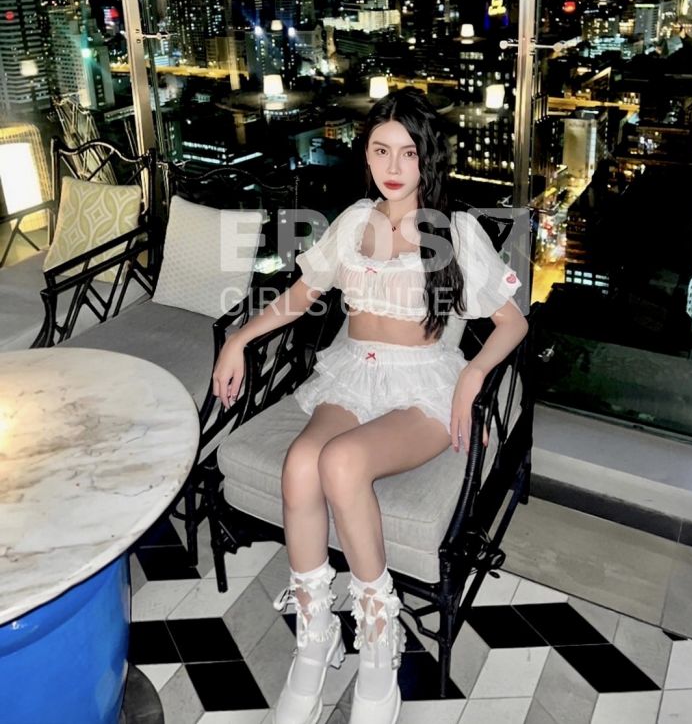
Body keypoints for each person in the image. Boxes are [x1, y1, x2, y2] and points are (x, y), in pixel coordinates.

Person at [213, 88, 528, 724]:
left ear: (427, 158)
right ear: (365, 155)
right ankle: (316, 637)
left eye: (408, 153)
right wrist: (239, 339)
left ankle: (380, 640)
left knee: (342, 463)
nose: (393, 166)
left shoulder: (454, 230)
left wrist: (472, 374)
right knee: (301, 462)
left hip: (423, 388)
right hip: (353, 373)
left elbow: (512, 323)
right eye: (381, 150)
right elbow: (302, 294)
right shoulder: (355, 221)